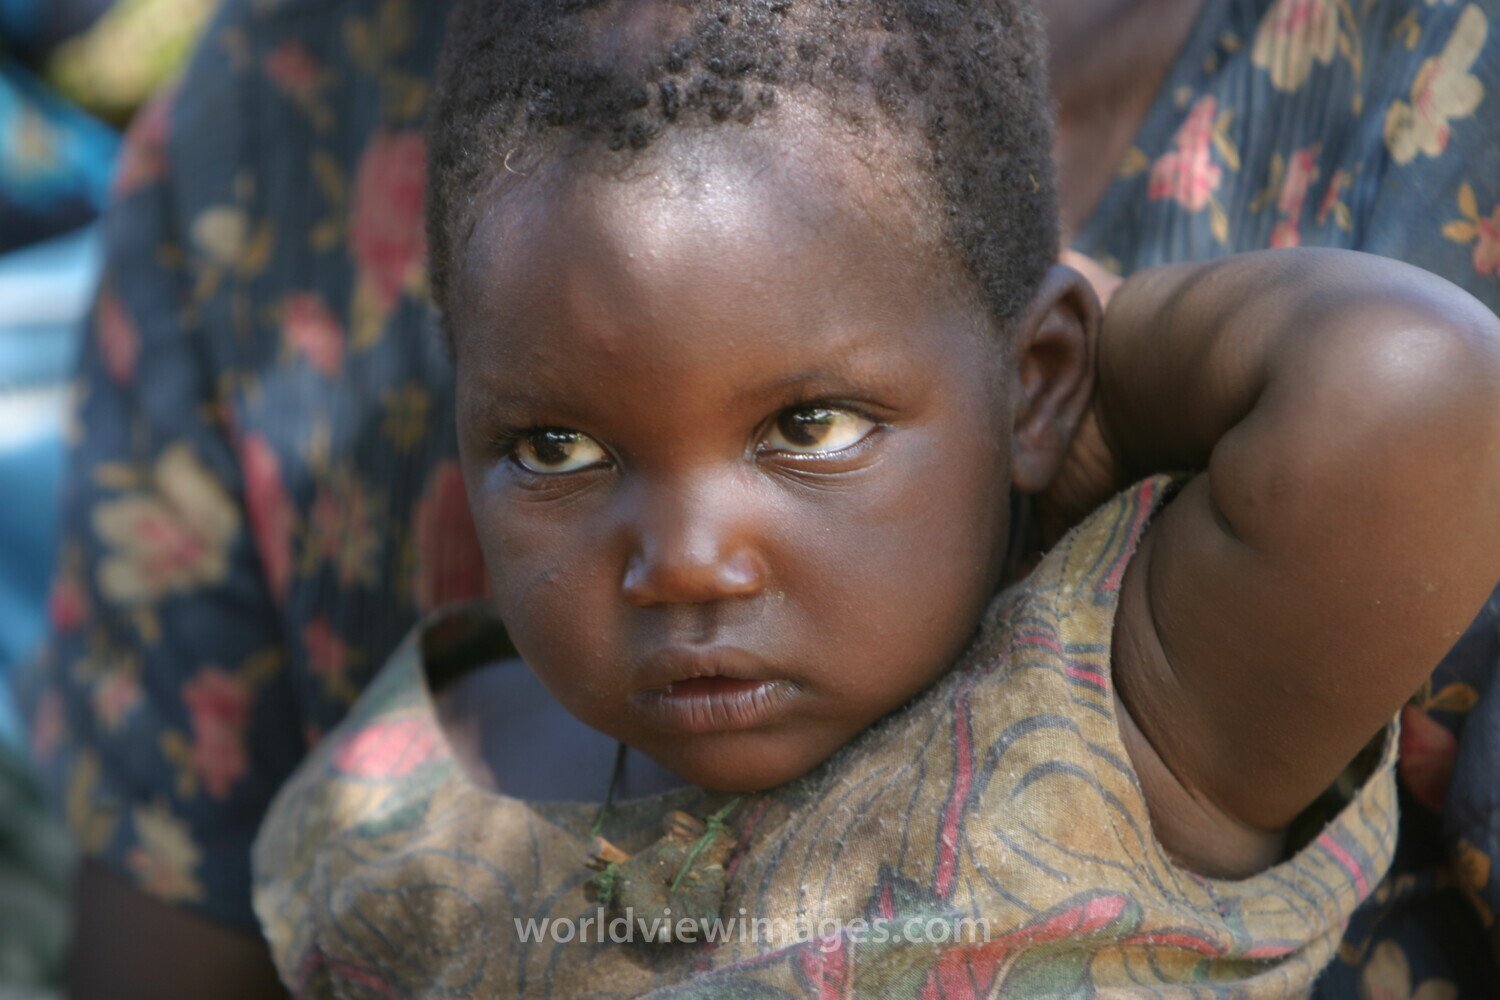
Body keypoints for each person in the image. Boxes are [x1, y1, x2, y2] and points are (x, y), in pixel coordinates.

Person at [34, 0, 1500, 997]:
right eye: (557, 449)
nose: (683, 561)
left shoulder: (1117, 731)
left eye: (807, 426)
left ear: (1040, 374)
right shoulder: (399, 799)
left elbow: (1412, 386)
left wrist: (1074, 397)